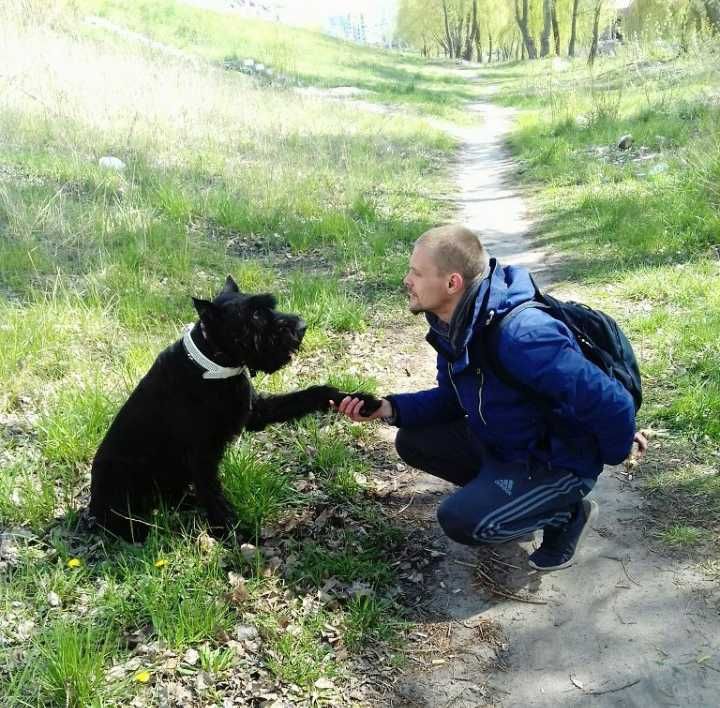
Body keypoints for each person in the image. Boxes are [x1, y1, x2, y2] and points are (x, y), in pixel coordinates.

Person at [336, 224, 647, 571]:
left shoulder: (523, 336)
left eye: (417, 272)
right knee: (413, 439)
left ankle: (566, 512)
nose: (407, 280)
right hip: (506, 443)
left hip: (555, 461)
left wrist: (612, 453)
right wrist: (388, 408)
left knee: (463, 520)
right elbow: (453, 398)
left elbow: (612, 405)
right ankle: (511, 496)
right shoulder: (454, 322)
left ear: (452, 283)